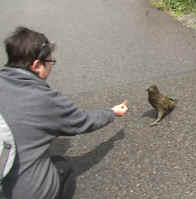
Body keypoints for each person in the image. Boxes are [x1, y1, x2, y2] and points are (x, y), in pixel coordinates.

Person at [0, 26, 128, 199]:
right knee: (63, 166)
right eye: (50, 62)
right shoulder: (44, 100)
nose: (52, 66)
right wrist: (111, 112)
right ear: (37, 65)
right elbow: (84, 121)